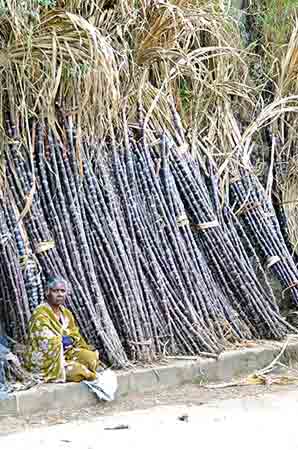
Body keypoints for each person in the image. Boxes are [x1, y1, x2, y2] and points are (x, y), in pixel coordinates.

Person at [24, 276, 100, 383]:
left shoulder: (66, 313)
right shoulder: (40, 313)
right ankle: (76, 370)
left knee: (90, 358)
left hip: (67, 352)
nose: (60, 294)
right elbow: (42, 339)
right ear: (47, 292)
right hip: (48, 359)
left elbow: (74, 333)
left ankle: (74, 366)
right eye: (55, 291)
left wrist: (72, 339)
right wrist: (61, 340)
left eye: (62, 291)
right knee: (79, 371)